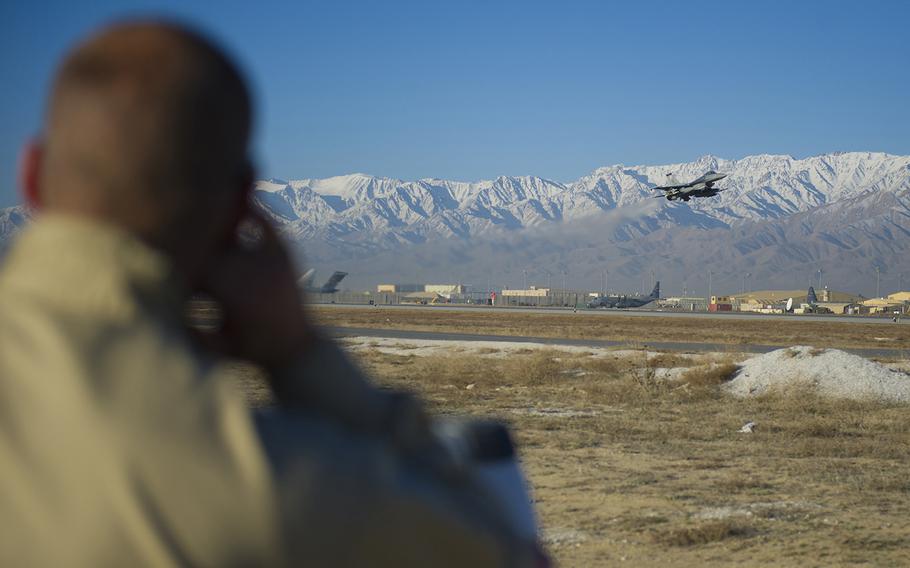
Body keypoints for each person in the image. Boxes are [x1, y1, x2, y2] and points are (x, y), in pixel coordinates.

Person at [0, 21, 542, 566]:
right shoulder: (269, 480)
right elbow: (504, 549)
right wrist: (300, 356)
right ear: (242, 207)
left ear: (30, 173)